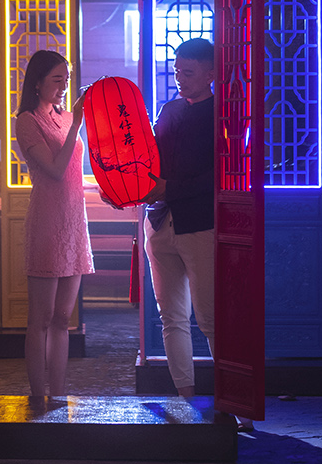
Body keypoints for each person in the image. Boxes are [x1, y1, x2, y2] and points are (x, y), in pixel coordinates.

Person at [15, 49, 94, 397]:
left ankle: (58, 395)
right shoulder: (27, 121)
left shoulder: (64, 117)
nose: (64, 86)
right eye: (56, 79)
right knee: (41, 319)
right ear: (37, 82)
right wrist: (77, 123)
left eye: (66, 78)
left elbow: (79, 169)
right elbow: (55, 170)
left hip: (74, 221)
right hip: (47, 223)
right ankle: (36, 395)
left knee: (64, 318)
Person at [144, 36, 215, 399]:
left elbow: (216, 178)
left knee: (209, 318)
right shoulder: (170, 110)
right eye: (176, 71)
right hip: (158, 221)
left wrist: (166, 189)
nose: (180, 78)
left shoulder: (221, 116)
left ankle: (237, 403)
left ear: (211, 74)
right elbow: (151, 161)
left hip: (199, 223)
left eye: (188, 72)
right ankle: (186, 397)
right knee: (171, 317)